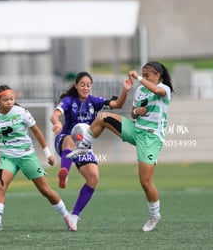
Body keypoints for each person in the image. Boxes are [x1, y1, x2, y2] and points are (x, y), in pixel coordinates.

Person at [68, 61, 174, 232]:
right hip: (135, 130)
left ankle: (155, 215)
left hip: (151, 138)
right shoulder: (140, 90)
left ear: (157, 75)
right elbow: (133, 112)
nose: (144, 77)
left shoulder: (164, 89)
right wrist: (136, 112)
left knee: (145, 182)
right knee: (103, 117)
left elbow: (155, 90)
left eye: (147, 75)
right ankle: (84, 146)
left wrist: (139, 77)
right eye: (143, 74)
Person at [50, 71, 133, 231]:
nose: (85, 87)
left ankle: (74, 216)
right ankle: (64, 172)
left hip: (83, 146)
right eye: (82, 84)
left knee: (93, 177)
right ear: (76, 85)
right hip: (64, 139)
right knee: (69, 141)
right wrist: (57, 124)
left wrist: (125, 90)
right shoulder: (69, 100)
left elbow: (117, 105)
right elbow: (55, 115)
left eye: (88, 85)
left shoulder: (94, 101)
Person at [0, 85, 76, 231]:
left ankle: (67, 216)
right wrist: (2, 146)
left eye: (11, 99)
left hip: (27, 156)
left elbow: (37, 131)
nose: (9, 102)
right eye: (5, 100)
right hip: (7, 157)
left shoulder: (21, 113)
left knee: (45, 191)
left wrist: (48, 154)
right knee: (0, 187)